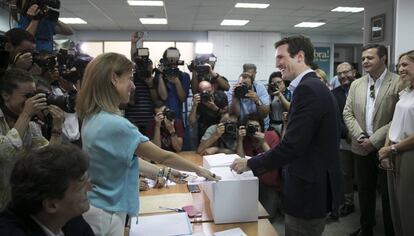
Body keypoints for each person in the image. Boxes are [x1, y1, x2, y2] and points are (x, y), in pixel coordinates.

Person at [75, 52, 218, 236]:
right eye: (129, 79)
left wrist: (165, 172)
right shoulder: (115, 124)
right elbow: (163, 156)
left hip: (99, 207)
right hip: (106, 212)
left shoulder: (92, 117)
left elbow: (127, 158)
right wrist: (199, 170)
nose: (133, 86)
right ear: (114, 79)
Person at [230, 35, 343, 236]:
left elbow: (292, 146)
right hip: (310, 183)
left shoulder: (308, 89)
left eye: (281, 57)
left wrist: (250, 163)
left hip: (308, 189)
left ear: (299, 56)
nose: (277, 63)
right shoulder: (312, 86)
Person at [343, 44, 403, 236]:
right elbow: (348, 113)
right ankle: (366, 229)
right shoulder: (356, 84)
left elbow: (398, 117)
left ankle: (390, 231)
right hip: (360, 147)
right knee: (365, 193)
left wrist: (375, 140)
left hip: (386, 148)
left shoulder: (398, 82)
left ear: (383, 59)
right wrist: (361, 136)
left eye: (370, 58)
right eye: (363, 59)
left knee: (387, 195)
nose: (365, 62)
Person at [0, 68, 64, 209]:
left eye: (35, 95)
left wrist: (57, 128)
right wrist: (25, 115)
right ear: (6, 95)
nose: (33, 101)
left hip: (16, 204)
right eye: (27, 96)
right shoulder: (26, 118)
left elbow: (48, 159)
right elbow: (5, 153)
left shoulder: (31, 125)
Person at [0, 144, 94, 236]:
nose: (90, 188)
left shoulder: (70, 217)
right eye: (80, 188)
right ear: (51, 205)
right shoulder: (10, 231)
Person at [377, 50, 414, 236]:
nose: (400, 69)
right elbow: (394, 122)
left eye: (405, 64)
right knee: (396, 209)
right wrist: (386, 148)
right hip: (394, 151)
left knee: (408, 210)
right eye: (399, 65)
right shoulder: (405, 92)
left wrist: (392, 148)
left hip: (408, 154)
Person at [236, 113, 282, 220]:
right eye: (250, 127)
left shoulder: (271, 136)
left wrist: (263, 142)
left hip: (270, 185)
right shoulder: (246, 139)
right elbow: (240, 160)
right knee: (244, 214)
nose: (253, 129)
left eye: (256, 127)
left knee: (265, 217)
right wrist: (240, 140)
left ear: (262, 128)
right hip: (251, 181)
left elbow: (276, 160)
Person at [329, 62, 357, 221]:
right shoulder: (335, 94)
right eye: (339, 73)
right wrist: (346, 132)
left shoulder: (364, 88)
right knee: (346, 173)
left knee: (362, 173)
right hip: (345, 139)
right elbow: (335, 118)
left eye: (346, 72)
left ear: (354, 72)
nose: (343, 76)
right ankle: (348, 202)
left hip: (366, 138)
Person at [125, 32, 160, 133]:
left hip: (148, 121)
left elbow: (156, 100)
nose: (144, 67)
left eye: (147, 65)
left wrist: (150, 84)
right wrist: (133, 44)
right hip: (131, 120)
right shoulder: (130, 78)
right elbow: (128, 101)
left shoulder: (153, 79)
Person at [156, 47, 190, 121]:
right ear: (165, 59)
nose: (173, 59)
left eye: (176, 57)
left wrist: (177, 82)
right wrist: (160, 76)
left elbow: (182, 98)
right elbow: (164, 97)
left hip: (178, 117)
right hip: (162, 117)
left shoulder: (184, 76)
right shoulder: (160, 75)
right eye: (171, 57)